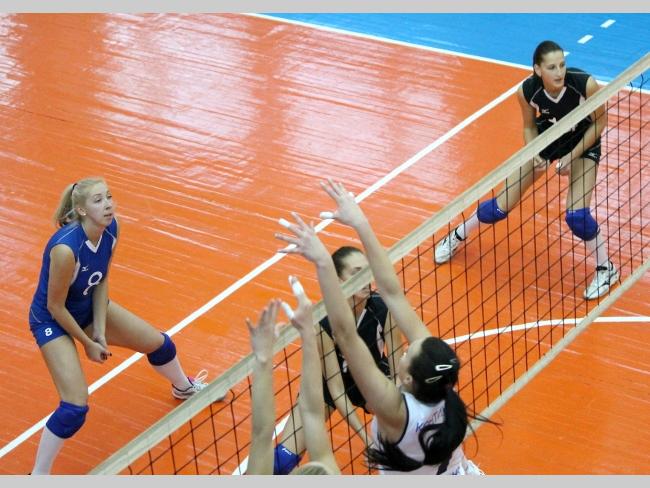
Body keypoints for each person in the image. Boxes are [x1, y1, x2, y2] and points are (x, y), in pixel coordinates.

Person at [276, 179, 486, 475]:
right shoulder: (443, 390)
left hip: (364, 381)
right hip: (454, 471)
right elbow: (393, 292)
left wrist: (322, 261)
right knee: (284, 456)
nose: (403, 351)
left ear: (408, 378)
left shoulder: (394, 412)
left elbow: (346, 334)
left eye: (407, 355)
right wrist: (360, 223)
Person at [28, 177, 216, 475]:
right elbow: (55, 306)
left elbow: (101, 278)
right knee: (75, 408)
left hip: (86, 308)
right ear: (81, 210)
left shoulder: (111, 229)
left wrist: (100, 330)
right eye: (98, 200)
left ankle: (184, 388)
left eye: (109, 197)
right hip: (52, 321)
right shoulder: (65, 248)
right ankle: (38, 475)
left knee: (159, 344)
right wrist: (88, 343)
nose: (108, 205)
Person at [434, 40, 618, 301]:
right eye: (552, 67)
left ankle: (606, 268)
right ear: (537, 69)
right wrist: (534, 152)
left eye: (562, 65)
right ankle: (457, 235)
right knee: (499, 207)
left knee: (577, 217)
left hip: (583, 142)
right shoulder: (527, 91)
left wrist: (571, 156)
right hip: (548, 139)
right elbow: (529, 127)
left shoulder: (584, 84)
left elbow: (599, 123)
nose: (559, 72)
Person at [272, 246, 402, 474]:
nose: (365, 278)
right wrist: (367, 439)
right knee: (281, 462)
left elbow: (398, 372)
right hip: (328, 386)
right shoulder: (323, 321)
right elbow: (336, 389)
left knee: (407, 415)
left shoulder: (383, 309)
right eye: (356, 272)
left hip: (369, 376)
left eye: (367, 271)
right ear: (339, 280)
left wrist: (399, 415)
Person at [245, 279, 340, 475]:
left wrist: (263, 358)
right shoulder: (330, 473)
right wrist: (308, 333)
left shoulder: (329, 470)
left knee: (279, 461)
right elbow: (312, 412)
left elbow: (262, 432)